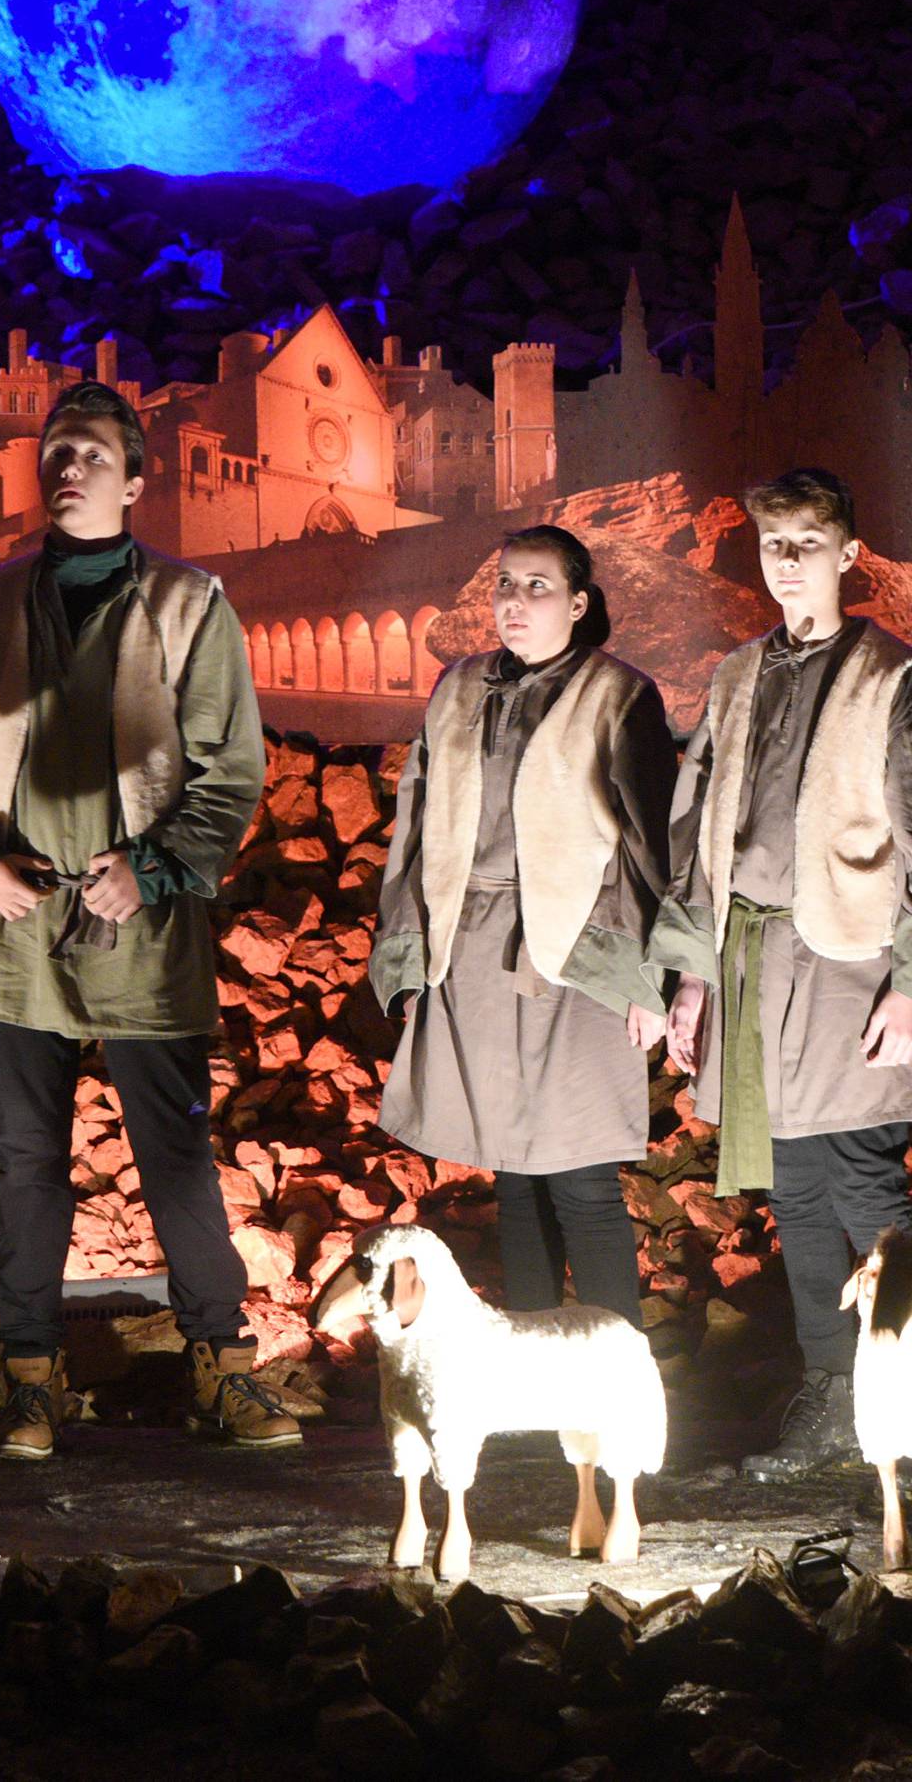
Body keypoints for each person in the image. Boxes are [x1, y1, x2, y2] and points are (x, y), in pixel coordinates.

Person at [0, 380, 291, 1458]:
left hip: (138, 920)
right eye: (53, 450)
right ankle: (29, 1381)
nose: (66, 466)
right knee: (26, 1157)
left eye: (89, 452)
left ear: (133, 476)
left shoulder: (187, 602)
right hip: (15, 921)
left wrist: (157, 869)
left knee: (172, 1149)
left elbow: (229, 770)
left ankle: (224, 1366)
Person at [650, 468, 912, 1479]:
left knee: (864, 1182)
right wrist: (693, 976)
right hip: (754, 958)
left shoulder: (891, 676)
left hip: (850, 961)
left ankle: (900, 1394)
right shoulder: (736, 676)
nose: (788, 562)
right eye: (773, 545)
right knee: (796, 1189)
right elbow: (701, 832)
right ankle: (832, 1397)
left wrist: (907, 983)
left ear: (850, 556)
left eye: (808, 542)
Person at [372, 525, 677, 1328]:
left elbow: (654, 847)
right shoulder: (459, 686)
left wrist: (651, 980)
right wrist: (408, 958)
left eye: (538, 585)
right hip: (470, 952)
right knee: (512, 1172)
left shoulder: (620, 694)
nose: (516, 600)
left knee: (578, 1173)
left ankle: (617, 1378)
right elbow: (415, 824)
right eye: (507, 583)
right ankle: (538, 1375)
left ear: (579, 603)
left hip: (577, 958)